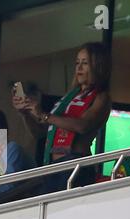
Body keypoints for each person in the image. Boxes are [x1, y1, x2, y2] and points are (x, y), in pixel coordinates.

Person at [13, 42, 112, 193]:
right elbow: (40, 133)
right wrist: (26, 113)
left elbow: (82, 126)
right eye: (77, 63)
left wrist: (44, 115)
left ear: (98, 66)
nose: (78, 68)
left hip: (75, 163)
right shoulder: (69, 97)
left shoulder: (101, 97)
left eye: (85, 63)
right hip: (53, 165)